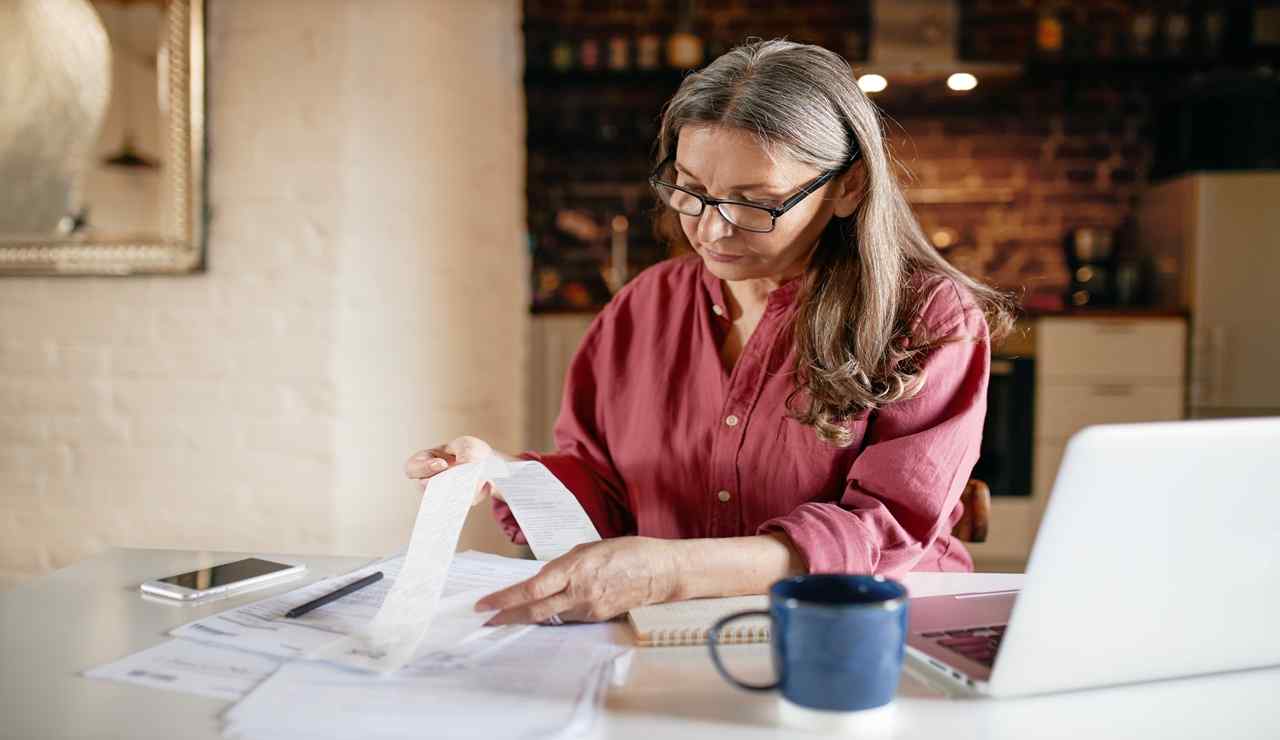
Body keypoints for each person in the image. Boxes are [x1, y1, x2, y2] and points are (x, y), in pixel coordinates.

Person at [405, 39, 1011, 627]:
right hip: (669, 631)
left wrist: (673, 571)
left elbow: (884, 531)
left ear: (848, 186)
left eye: (755, 203)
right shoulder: (643, 307)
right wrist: (507, 473)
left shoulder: (928, 316)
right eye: (691, 190)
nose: (711, 231)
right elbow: (608, 486)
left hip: (859, 634)